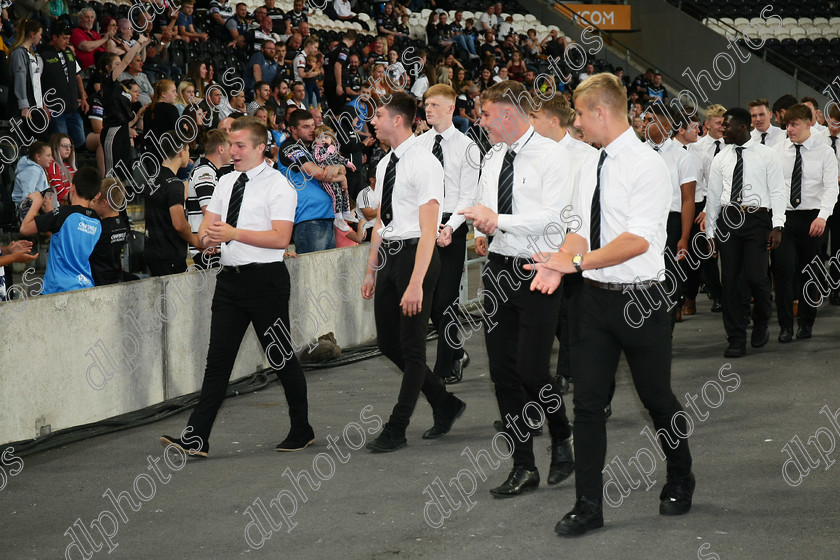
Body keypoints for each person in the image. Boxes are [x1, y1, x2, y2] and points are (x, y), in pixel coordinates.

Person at [525, 73, 694, 536]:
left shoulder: (647, 164)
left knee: (657, 399)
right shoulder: (590, 163)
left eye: (579, 115)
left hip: (642, 300)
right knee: (588, 405)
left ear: (601, 111)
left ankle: (681, 475)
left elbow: (637, 241)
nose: (576, 124)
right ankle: (588, 506)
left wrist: (574, 262)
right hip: (592, 302)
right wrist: (559, 261)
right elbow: (581, 225)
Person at [160, 117, 314, 457]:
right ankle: (197, 437)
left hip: (266, 281)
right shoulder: (226, 181)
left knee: (280, 357)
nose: (233, 151)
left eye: (241, 145)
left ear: (261, 148)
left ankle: (301, 428)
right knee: (218, 361)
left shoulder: (279, 185)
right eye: (231, 144)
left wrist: (231, 234)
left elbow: (280, 238)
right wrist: (206, 239)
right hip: (229, 280)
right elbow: (208, 230)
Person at [459, 80, 574, 496]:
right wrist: (469, 225)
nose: (481, 122)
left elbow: (555, 219)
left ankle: (561, 432)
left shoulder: (553, 156)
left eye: (486, 114)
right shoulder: (492, 158)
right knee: (503, 374)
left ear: (508, 114)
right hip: (499, 269)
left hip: (540, 270)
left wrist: (498, 220)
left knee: (531, 371)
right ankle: (523, 466)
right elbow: (483, 205)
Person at [361, 91, 465, 453]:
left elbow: (428, 229)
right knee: (389, 344)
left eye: (378, 115)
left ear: (398, 120)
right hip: (389, 257)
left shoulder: (424, 163)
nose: (372, 122)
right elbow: (379, 224)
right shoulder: (383, 163)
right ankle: (444, 402)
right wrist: (371, 269)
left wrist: (417, 282)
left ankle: (397, 426)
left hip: (415, 258)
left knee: (413, 347)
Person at [705, 107, 787, 357]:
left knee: (755, 276)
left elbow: (777, 191)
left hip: (758, 219)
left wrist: (778, 224)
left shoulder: (766, 154)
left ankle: (761, 321)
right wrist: (710, 232)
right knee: (730, 281)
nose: (722, 129)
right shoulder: (721, 157)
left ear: (742, 127)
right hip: (729, 219)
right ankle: (736, 338)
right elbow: (714, 197)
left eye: (726, 126)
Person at [528, 93, 596, 391]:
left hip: (578, 244)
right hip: (542, 245)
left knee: (574, 312)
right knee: (550, 315)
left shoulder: (587, 155)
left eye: (534, 117)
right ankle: (567, 369)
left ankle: (570, 373)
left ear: (553, 121)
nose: (528, 123)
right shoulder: (529, 155)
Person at [416, 84, 478, 385]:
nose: (428, 110)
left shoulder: (467, 147)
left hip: (453, 224)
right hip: (425, 225)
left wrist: (450, 228)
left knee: (446, 300)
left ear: (451, 108)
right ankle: (456, 352)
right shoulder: (419, 145)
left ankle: (444, 369)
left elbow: (468, 195)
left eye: (435, 105)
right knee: (431, 301)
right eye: (427, 105)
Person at [772, 103, 839, 341]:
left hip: (813, 217)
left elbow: (831, 187)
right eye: (787, 125)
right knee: (783, 269)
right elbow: (773, 186)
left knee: (809, 271)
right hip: (785, 217)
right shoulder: (778, 150)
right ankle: (785, 325)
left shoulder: (825, 152)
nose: (789, 129)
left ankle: (806, 323)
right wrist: (775, 220)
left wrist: (823, 216)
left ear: (809, 124)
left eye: (794, 124)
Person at [645, 103, 697, 327]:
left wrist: (684, 237)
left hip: (671, 222)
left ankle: (666, 330)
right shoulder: (637, 153)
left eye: (649, 120)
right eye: (644, 120)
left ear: (665, 125)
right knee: (645, 276)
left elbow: (688, 200)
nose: (644, 124)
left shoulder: (681, 157)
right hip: (643, 221)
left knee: (670, 277)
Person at [19, 167, 102, 295]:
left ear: (72, 187)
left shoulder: (63, 213)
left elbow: (25, 228)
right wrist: (51, 212)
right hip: (86, 286)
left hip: (58, 289)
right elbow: (64, 238)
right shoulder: (97, 221)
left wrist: (36, 202)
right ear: (97, 195)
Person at [276, 109, 337, 253]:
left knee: (327, 272)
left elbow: (341, 168)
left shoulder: (312, 149)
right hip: (309, 219)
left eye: (312, 126)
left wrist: (337, 167)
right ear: (293, 129)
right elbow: (317, 173)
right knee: (314, 273)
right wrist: (335, 170)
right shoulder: (289, 147)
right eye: (305, 127)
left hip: (326, 216)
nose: (312, 130)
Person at [144, 132, 201, 276]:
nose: (189, 154)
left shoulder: (152, 178)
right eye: (188, 149)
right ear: (181, 152)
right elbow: (179, 224)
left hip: (152, 250)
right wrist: (195, 241)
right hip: (169, 254)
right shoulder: (175, 184)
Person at [688, 103, 726, 313]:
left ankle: (730, 295)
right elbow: (701, 184)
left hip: (726, 204)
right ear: (707, 124)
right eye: (719, 123)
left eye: (724, 123)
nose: (722, 127)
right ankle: (715, 295)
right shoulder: (697, 147)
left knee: (727, 254)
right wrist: (705, 209)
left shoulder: (731, 145)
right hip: (703, 205)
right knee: (707, 254)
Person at [100, 37, 150, 177]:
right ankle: (108, 197)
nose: (120, 65)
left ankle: (121, 198)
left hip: (123, 130)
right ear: (108, 68)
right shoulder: (108, 82)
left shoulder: (120, 86)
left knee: (123, 171)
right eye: (117, 64)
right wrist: (138, 42)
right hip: (113, 130)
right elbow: (127, 60)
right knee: (112, 171)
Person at [187, 130, 232, 269]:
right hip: (208, 247)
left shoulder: (211, 171)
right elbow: (209, 211)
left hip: (213, 245)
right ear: (221, 149)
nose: (234, 151)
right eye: (231, 146)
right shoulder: (205, 172)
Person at [40, 22, 88, 148]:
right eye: (64, 38)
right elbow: (37, 82)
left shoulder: (69, 53)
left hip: (73, 106)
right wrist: (44, 105)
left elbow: (78, 76)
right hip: (56, 109)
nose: (67, 42)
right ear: (55, 37)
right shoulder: (43, 54)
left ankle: (71, 164)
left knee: (80, 139)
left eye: (69, 39)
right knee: (61, 143)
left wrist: (83, 97)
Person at [89, 177, 131, 285]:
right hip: (116, 277)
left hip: (99, 280)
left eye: (95, 200)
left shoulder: (99, 228)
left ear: (104, 203)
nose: (92, 203)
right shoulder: (122, 224)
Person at [10, 19, 44, 119]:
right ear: (32, 34)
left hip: (35, 104)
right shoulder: (19, 53)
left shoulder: (31, 54)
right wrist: (24, 105)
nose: (41, 37)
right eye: (40, 34)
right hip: (25, 107)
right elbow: (20, 79)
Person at [324, 30, 356, 114]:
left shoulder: (335, 48)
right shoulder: (344, 49)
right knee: (338, 113)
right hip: (335, 84)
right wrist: (339, 85)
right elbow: (337, 65)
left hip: (329, 82)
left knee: (333, 112)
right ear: (353, 41)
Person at [47, 133, 76, 204]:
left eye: (70, 146)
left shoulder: (69, 166)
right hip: (61, 206)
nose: (68, 149)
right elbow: (60, 192)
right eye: (65, 146)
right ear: (55, 147)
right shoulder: (52, 165)